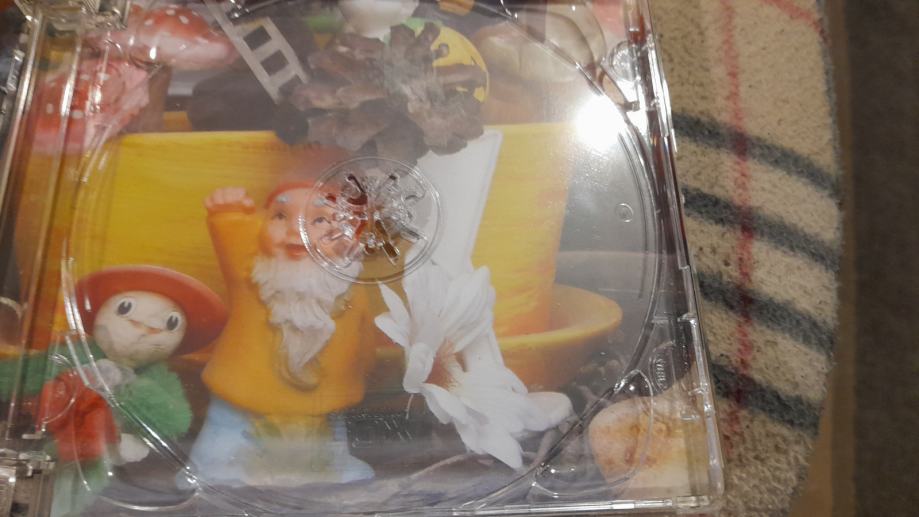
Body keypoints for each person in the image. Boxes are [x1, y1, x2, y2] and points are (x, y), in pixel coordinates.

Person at [187, 181, 375, 486]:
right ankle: (213, 469)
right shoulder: (252, 275)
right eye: (279, 216)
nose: (295, 232)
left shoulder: (351, 291)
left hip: (323, 407)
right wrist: (228, 209)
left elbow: (363, 343)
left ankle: (332, 468)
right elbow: (231, 237)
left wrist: (360, 375)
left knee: (328, 453)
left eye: (319, 220)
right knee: (220, 456)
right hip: (241, 401)